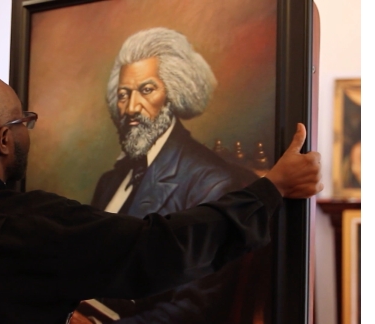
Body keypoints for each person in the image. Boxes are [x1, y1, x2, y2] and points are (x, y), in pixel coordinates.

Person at [0, 74, 323, 324]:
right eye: (26, 122)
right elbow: (162, 249)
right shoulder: (32, 224)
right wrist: (272, 189)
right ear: (5, 139)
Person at [89, 27, 262, 323]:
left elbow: (196, 310)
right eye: (123, 94)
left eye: (146, 90)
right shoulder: (110, 181)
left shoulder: (212, 184)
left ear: (173, 93)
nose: (131, 108)